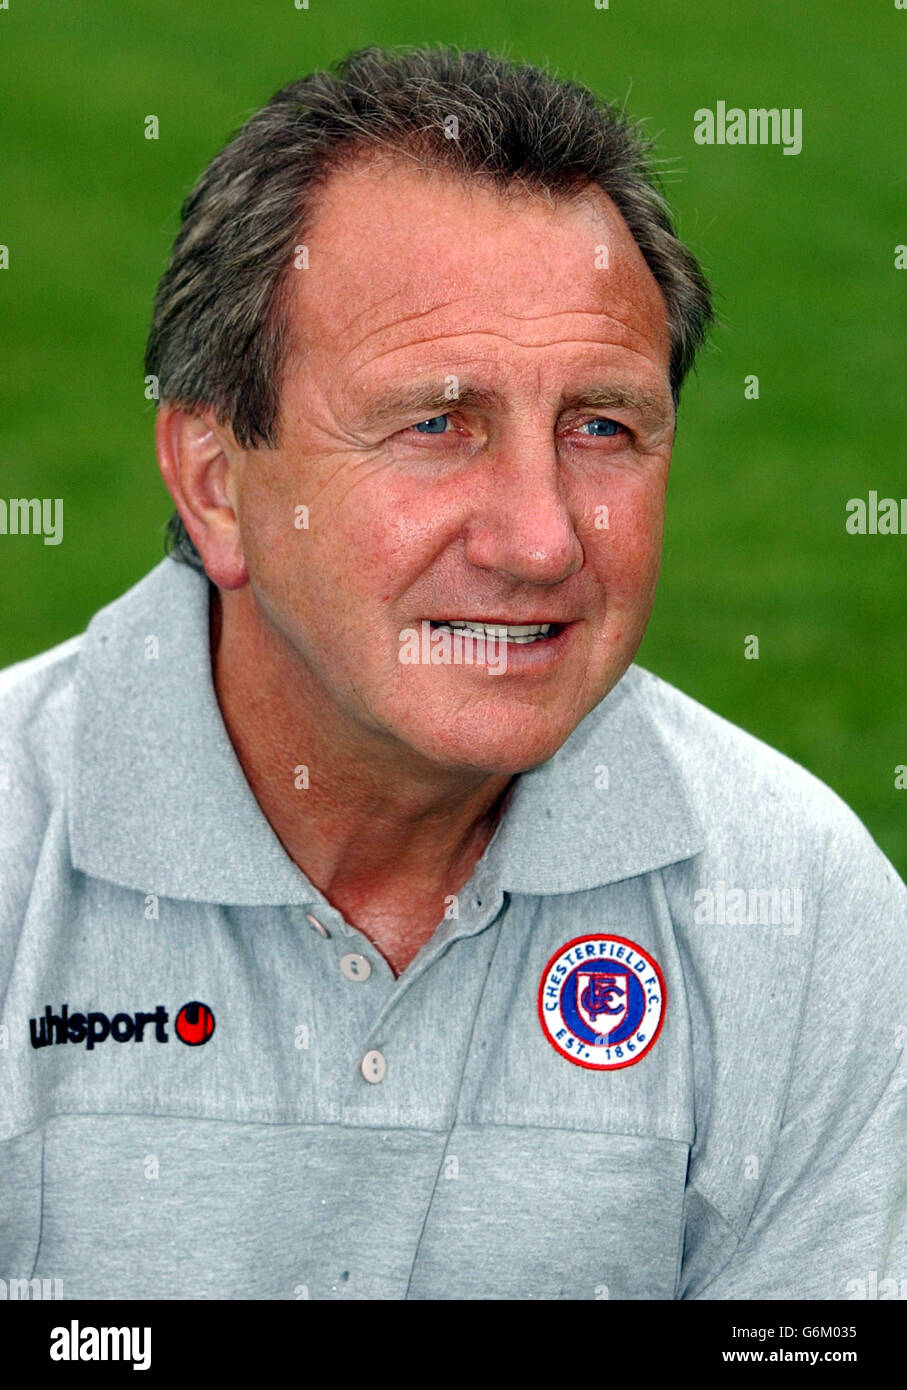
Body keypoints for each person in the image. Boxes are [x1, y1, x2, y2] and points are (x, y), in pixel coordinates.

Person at [1, 46, 903, 1302]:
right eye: (435, 424)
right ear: (217, 482)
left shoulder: (799, 905)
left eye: (601, 426)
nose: (540, 540)